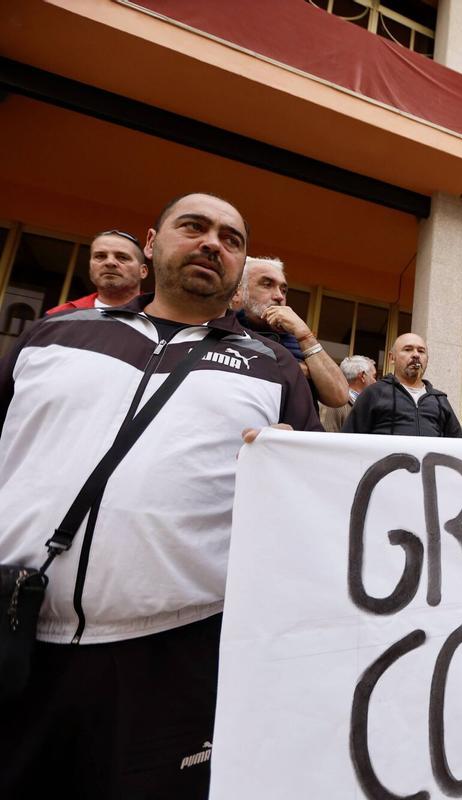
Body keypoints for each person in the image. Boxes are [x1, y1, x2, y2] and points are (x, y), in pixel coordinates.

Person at [0, 192, 322, 799]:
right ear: (151, 244)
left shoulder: (272, 368)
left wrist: (288, 468)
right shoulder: (55, 333)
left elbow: (308, 509)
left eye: (230, 239)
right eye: (193, 226)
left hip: (177, 657)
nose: (212, 243)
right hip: (14, 633)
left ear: (240, 263)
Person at [231, 256, 348, 409]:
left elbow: (339, 396)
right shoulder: (219, 328)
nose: (280, 296)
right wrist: (296, 368)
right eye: (267, 285)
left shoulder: (297, 339)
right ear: (237, 292)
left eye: (283, 290)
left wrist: (305, 335)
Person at [341, 333, 461, 437]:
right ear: (392, 358)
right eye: (408, 349)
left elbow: (457, 444)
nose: (416, 355)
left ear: (427, 359)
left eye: (421, 351)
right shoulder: (374, 393)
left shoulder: (440, 400)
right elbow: (349, 441)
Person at [45, 230, 148, 313]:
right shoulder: (58, 316)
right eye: (100, 256)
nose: (110, 262)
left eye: (122, 257)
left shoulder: (156, 316)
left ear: (143, 271)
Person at [320, 355, 376, 433]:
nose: (375, 381)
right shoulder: (334, 403)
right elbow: (326, 436)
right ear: (363, 376)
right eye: (374, 376)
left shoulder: (365, 403)